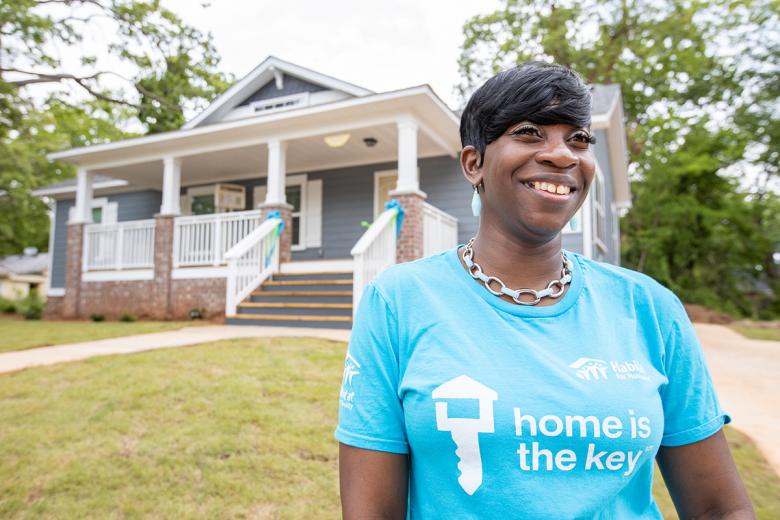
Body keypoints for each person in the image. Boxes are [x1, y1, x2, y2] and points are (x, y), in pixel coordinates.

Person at [335, 62, 754, 519]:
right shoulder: (399, 302)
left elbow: (719, 508)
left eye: (579, 138)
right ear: (473, 163)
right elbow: (371, 512)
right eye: (530, 132)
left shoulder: (649, 308)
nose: (562, 154)